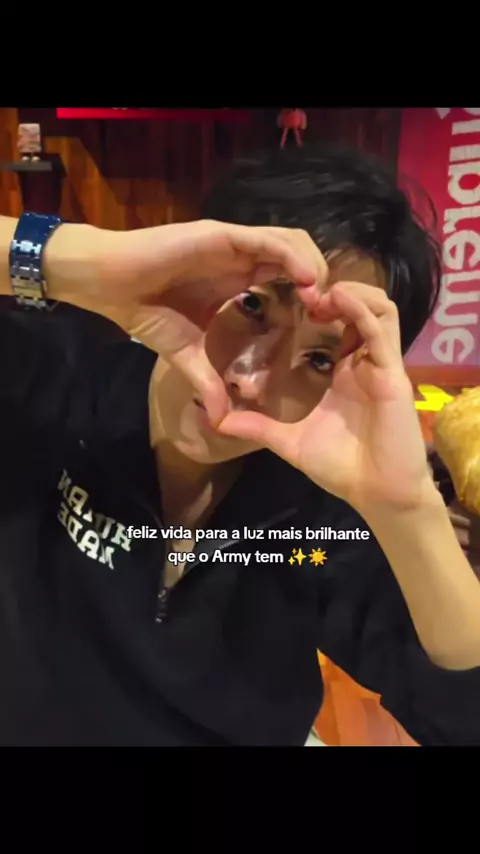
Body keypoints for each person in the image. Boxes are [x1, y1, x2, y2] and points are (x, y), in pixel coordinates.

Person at [1, 144, 480, 747]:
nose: (250, 380)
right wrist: (81, 256)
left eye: (319, 359)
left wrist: (408, 509)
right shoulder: (61, 373)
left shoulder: (319, 522)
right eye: (253, 307)